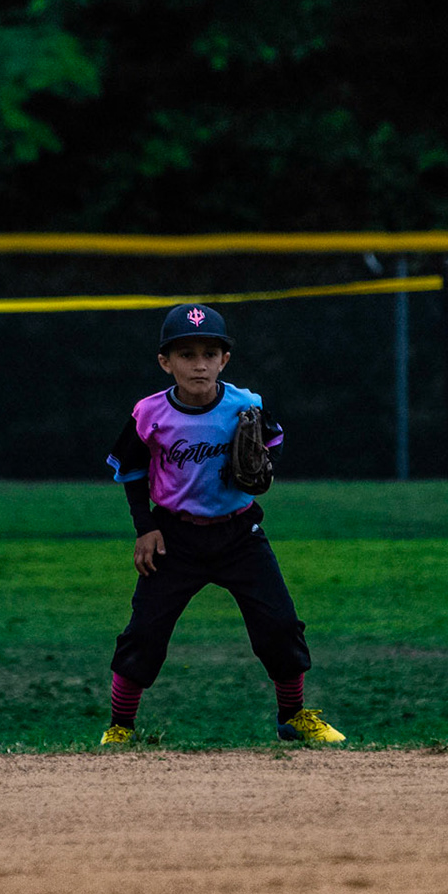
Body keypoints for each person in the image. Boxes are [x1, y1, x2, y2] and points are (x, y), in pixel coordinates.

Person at [100, 303, 345, 746]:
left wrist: (263, 462)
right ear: (165, 362)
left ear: (224, 360)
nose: (199, 364)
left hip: (239, 534)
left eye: (210, 354)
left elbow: (273, 442)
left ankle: (292, 717)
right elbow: (131, 470)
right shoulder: (149, 413)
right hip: (174, 537)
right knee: (144, 633)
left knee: (280, 624)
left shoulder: (245, 404)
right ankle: (120, 728)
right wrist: (145, 527)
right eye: (186, 354)